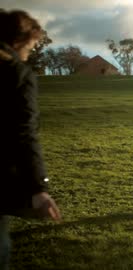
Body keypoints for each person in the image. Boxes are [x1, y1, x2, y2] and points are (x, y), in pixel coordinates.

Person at [0, 9, 61, 270]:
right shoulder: (13, 72)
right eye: (31, 45)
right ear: (19, 40)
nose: (30, 52)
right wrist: (39, 188)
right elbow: (23, 132)